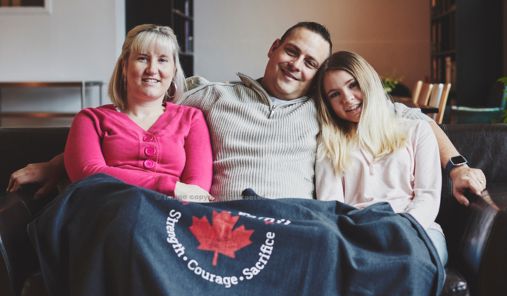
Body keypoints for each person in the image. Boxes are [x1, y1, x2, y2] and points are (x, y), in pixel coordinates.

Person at [7, 22, 486, 204]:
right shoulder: (210, 95)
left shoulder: (323, 108)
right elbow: (134, 120)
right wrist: (55, 165)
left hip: (297, 222)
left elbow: (415, 120)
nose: (296, 65)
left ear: (318, 74)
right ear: (274, 47)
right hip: (221, 220)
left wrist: (458, 166)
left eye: (310, 63)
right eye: (291, 51)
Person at [314, 51, 447, 265]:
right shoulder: (329, 143)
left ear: (368, 82)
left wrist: (399, 229)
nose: (347, 98)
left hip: (418, 227)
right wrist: (366, 235)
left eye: (353, 84)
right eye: (334, 94)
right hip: (357, 233)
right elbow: (332, 207)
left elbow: (428, 197)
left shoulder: (417, 130)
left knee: (415, 261)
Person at [64, 24, 213, 201]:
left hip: (169, 217)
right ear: (124, 67)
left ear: (173, 71)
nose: (152, 69)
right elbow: (88, 174)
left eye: (163, 60)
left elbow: (197, 191)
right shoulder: (90, 119)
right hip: (106, 211)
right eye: (142, 58)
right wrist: (170, 187)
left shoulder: (191, 118)